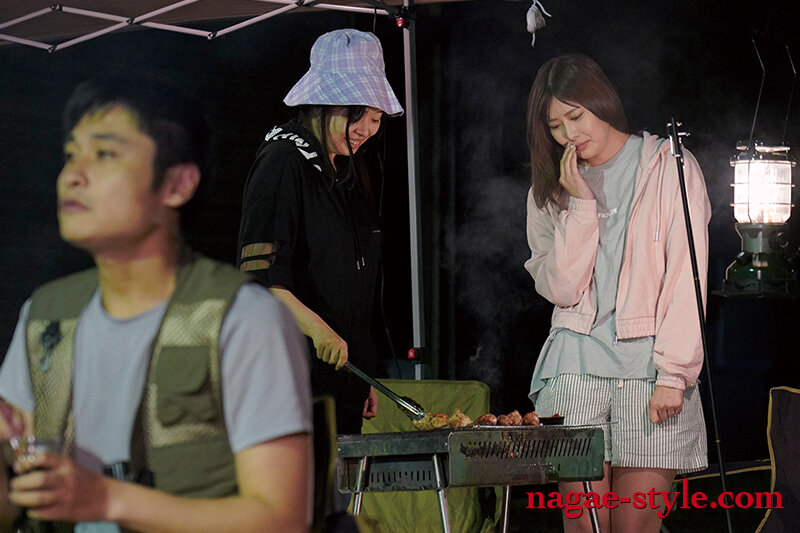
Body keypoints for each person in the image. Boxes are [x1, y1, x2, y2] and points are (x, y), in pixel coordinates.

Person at [0, 73, 313, 533]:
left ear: (177, 184)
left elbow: (281, 519)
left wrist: (107, 498)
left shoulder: (243, 318)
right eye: (70, 155)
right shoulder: (47, 315)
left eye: (104, 154)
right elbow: (13, 505)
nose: (72, 175)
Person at [524, 54, 710, 532]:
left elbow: (687, 276)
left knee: (636, 527)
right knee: (583, 526)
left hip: (649, 370)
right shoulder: (551, 187)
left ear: (600, 100)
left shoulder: (668, 164)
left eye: (575, 116)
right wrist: (580, 205)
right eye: (555, 126)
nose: (568, 135)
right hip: (575, 369)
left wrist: (675, 374)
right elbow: (562, 289)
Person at [237, 28, 403, 435]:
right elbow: (260, 278)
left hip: (341, 380)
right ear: (321, 103)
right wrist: (317, 329)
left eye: (376, 118)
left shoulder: (342, 172)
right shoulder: (282, 162)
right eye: (356, 115)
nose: (365, 129)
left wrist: (361, 372)